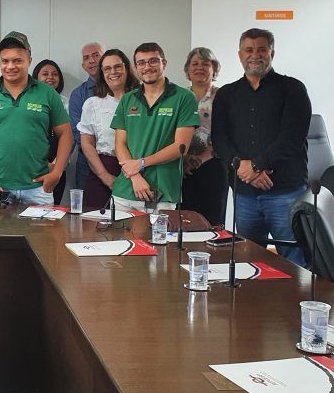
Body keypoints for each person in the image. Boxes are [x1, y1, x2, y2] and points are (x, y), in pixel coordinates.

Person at [212, 28, 311, 265]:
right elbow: (220, 139)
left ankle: (293, 300)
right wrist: (243, 168)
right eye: (249, 50)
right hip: (245, 192)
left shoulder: (292, 89)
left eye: (261, 49)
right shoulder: (227, 94)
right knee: (248, 256)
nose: (255, 55)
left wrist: (255, 165)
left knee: (293, 257)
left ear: (272, 53)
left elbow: (292, 137)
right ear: (239, 55)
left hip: (285, 191)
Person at [0, 32, 72, 206]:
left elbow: (66, 133)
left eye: (17, 60)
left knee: (42, 234)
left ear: (29, 59)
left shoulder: (47, 93)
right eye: (5, 61)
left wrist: (58, 171)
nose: (10, 66)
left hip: (38, 189)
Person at [110, 43, 199, 212]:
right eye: (141, 63)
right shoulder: (128, 99)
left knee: (158, 239)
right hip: (126, 190)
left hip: (163, 192)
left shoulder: (184, 97)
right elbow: (120, 144)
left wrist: (142, 163)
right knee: (119, 238)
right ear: (135, 68)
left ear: (163, 63)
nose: (147, 67)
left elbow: (181, 147)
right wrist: (135, 175)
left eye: (153, 61)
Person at [78, 49, 139, 210]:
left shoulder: (143, 101)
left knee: (134, 228)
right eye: (107, 68)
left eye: (118, 67)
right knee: (95, 229)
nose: (113, 72)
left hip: (139, 170)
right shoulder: (93, 103)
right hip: (104, 169)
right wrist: (104, 176)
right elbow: (87, 144)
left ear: (127, 68)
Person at [181, 47, 228, 226]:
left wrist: (200, 159)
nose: (199, 67)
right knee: (183, 222)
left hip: (213, 166)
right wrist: (184, 159)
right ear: (188, 69)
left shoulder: (224, 96)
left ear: (214, 69)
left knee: (212, 223)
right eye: (195, 64)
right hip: (182, 167)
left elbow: (226, 133)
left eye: (205, 64)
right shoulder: (179, 96)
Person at [32, 59, 69, 205]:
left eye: (54, 74)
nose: (50, 77)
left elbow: (68, 136)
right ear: (36, 77)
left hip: (57, 169)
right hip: (33, 168)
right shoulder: (29, 101)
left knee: (51, 219)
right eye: (45, 74)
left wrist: (55, 165)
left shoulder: (66, 103)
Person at [68, 42, 104, 191]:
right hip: (87, 161)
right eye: (86, 58)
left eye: (96, 55)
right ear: (83, 65)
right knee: (87, 210)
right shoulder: (78, 94)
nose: (91, 60)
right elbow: (77, 131)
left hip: (120, 160)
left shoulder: (123, 90)